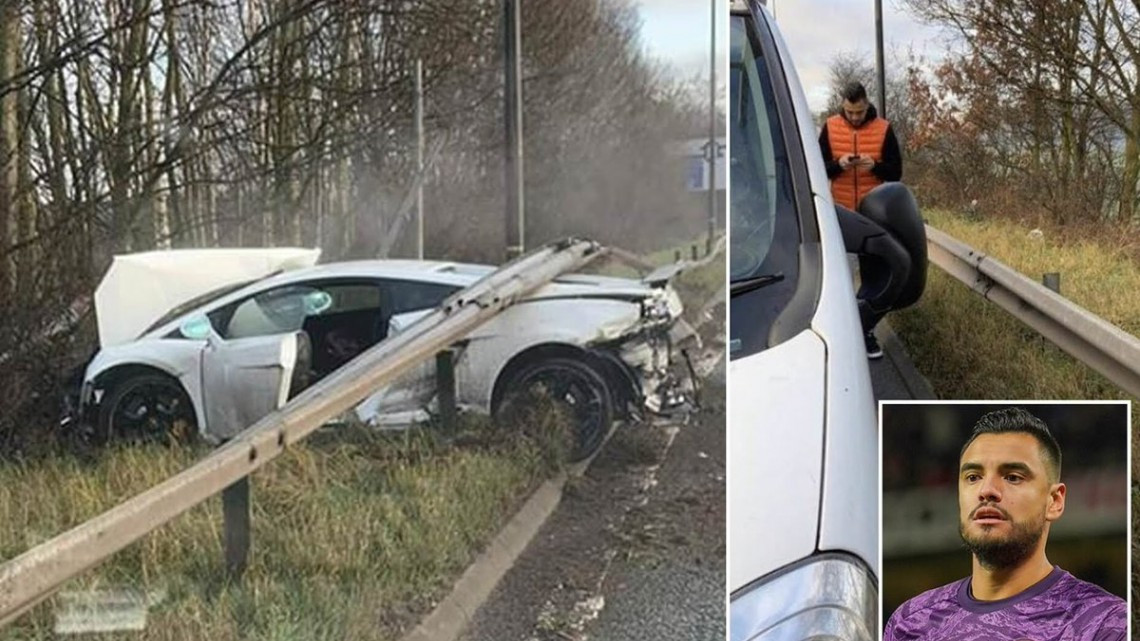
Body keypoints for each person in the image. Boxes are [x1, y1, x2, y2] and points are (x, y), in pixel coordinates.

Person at [883, 408, 1126, 641]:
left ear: (1054, 501)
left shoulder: (1105, 622)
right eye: (973, 477)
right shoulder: (911, 622)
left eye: (1012, 477)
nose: (987, 490)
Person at [818, 81, 903, 359]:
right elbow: (816, 168)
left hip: (873, 214)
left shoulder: (883, 129)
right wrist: (838, 165)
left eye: (859, 112)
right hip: (839, 212)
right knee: (835, 276)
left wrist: (875, 167)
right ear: (843, 105)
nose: (855, 117)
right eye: (850, 112)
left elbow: (896, 173)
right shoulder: (830, 127)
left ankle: (865, 330)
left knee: (872, 277)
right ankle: (834, 333)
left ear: (867, 105)